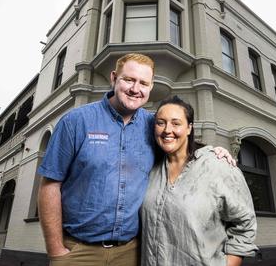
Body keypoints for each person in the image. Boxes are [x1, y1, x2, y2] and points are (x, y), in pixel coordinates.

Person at [38, 53, 233, 266]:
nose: (135, 89)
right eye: (129, 80)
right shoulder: (75, 122)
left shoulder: (154, 126)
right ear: (114, 78)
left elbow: (182, 149)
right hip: (78, 251)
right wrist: (56, 249)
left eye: (143, 83)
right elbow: (50, 185)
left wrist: (213, 151)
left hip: (132, 253)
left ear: (150, 87)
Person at [141, 96, 257, 266]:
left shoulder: (217, 166)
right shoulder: (151, 170)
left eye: (176, 123)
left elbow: (245, 224)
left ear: (189, 128)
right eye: (161, 122)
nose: (167, 130)